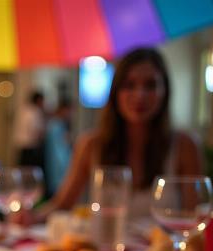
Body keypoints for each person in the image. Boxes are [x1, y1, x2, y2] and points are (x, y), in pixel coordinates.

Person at [36, 47, 202, 221]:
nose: (140, 95)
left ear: (165, 91)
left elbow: (194, 218)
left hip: (162, 248)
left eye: (150, 85)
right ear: (115, 92)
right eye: (129, 85)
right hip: (105, 247)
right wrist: (29, 217)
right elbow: (61, 205)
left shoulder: (184, 146)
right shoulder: (91, 144)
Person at [43, 98, 73, 197]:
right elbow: (59, 154)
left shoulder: (58, 125)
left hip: (59, 170)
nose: (71, 114)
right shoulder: (55, 126)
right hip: (58, 171)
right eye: (69, 111)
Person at [12, 90, 45, 167]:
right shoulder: (35, 111)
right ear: (39, 100)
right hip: (30, 146)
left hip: (20, 145)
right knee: (30, 171)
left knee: (22, 169)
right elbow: (35, 130)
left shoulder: (23, 110)